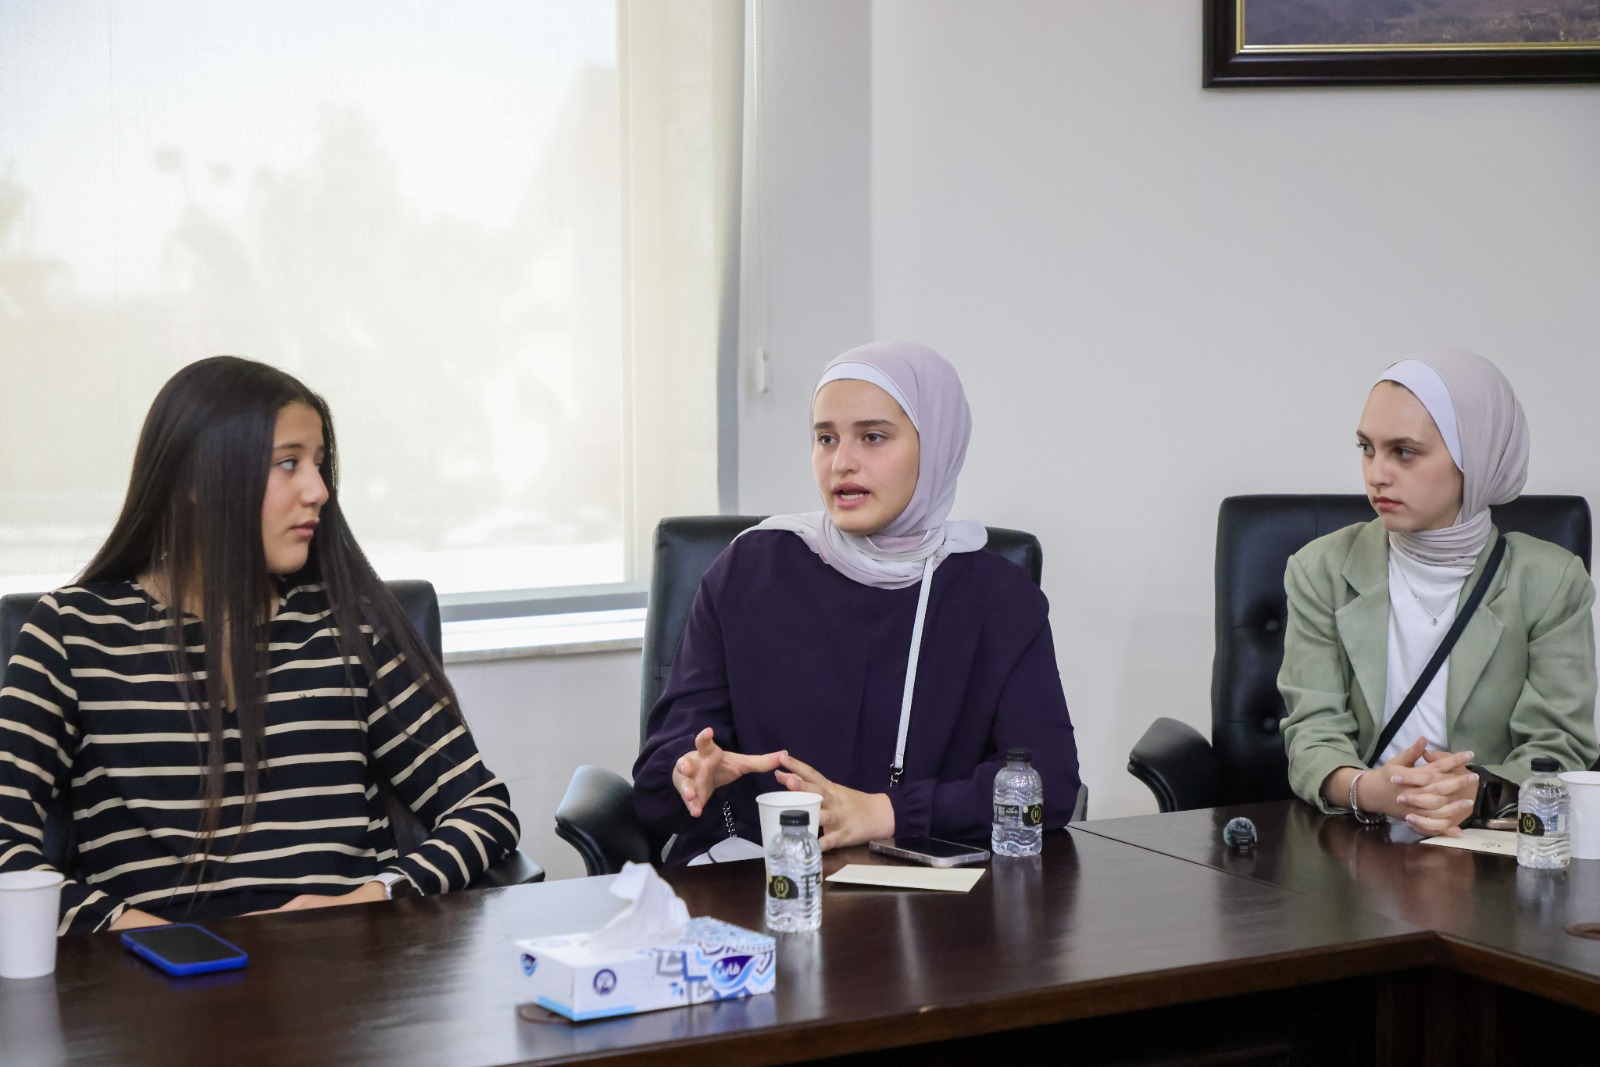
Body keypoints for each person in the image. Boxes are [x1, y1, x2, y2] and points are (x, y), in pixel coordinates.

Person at [0, 356, 520, 934]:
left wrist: (375, 896)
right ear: (196, 481)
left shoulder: (351, 626)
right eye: (288, 463)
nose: (318, 491)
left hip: (343, 964)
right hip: (147, 969)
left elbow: (482, 811)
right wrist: (130, 932)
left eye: (319, 464)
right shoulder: (72, 631)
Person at [632, 342, 1080, 862]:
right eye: (826, 438)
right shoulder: (749, 570)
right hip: (758, 876)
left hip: (926, 893)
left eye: (873, 437)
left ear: (936, 447)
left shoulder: (999, 598)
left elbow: (1049, 785)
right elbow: (661, 775)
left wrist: (885, 813)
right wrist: (689, 772)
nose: (841, 463)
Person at [1279, 349, 1597, 837]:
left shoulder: (1551, 581)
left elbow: (1558, 747)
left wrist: (1477, 794)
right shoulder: (1319, 569)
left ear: (1476, 456)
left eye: (1404, 451)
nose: (1376, 474)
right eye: (1367, 448)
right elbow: (1312, 734)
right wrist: (1371, 789)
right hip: (1357, 836)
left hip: (1486, 842)